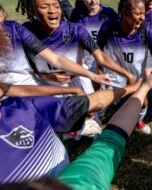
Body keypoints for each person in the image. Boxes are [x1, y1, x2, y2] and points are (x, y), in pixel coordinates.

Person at [0, 21, 141, 182]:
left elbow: (20, 87)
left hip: (60, 161)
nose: (2, 31)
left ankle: (84, 136)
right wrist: (136, 88)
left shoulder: (26, 104)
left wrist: (81, 84)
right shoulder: (23, 106)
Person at [0, 67, 152, 190]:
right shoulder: (83, 182)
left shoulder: (20, 106)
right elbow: (107, 145)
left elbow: (107, 145)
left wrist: (142, 87)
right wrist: (141, 88)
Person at [97, 0, 152, 134]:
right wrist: (98, 71)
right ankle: (96, 124)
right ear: (124, 12)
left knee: (142, 103)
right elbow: (98, 51)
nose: (142, 17)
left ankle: (138, 121)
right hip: (112, 78)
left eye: (143, 13)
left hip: (136, 79)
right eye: (138, 13)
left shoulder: (145, 31)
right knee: (104, 104)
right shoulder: (108, 27)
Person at [0, 4, 110, 87]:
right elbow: (30, 60)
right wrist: (45, 76)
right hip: (45, 85)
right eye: (44, 7)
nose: (51, 11)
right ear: (32, 11)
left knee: (89, 113)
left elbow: (56, 59)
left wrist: (93, 76)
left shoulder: (15, 28)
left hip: (78, 78)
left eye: (55, 6)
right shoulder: (27, 29)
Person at [70, 0, 121, 75]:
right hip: (86, 62)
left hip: (107, 60)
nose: (93, 0)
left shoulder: (109, 13)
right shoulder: (76, 14)